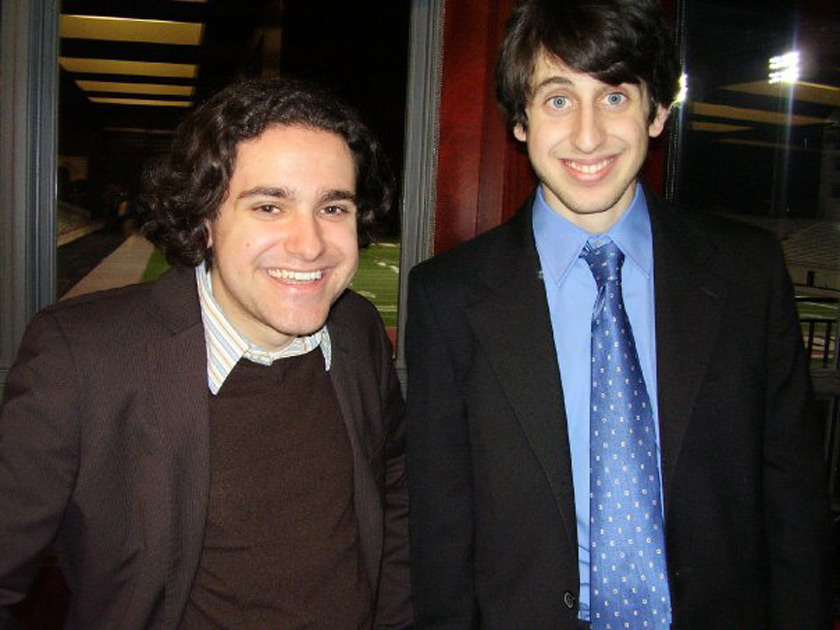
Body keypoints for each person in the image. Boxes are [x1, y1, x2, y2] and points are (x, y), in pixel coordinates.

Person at [404, 0, 830, 628]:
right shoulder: (448, 298)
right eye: (556, 99)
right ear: (519, 120)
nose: (586, 135)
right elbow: (440, 531)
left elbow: (793, 498)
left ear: (657, 112)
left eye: (614, 97)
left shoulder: (747, 273)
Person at [0, 78, 411, 629]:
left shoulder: (358, 330)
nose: (310, 244)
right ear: (205, 219)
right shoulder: (83, 357)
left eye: (332, 207)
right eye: (270, 206)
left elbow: (394, 490)